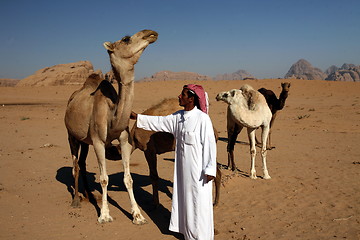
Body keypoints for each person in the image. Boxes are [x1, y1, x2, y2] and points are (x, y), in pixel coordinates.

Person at [131, 84, 217, 240]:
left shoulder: (203, 119)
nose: (179, 96)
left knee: (199, 203)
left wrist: (210, 169)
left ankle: (202, 236)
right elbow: (159, 122)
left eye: (183, 95)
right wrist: (138, 117)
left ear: (191, 99)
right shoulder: (178, 117)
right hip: (183, 170)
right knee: (186, 202)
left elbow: (210, 144)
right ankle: (189, 234)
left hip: (199, 172)